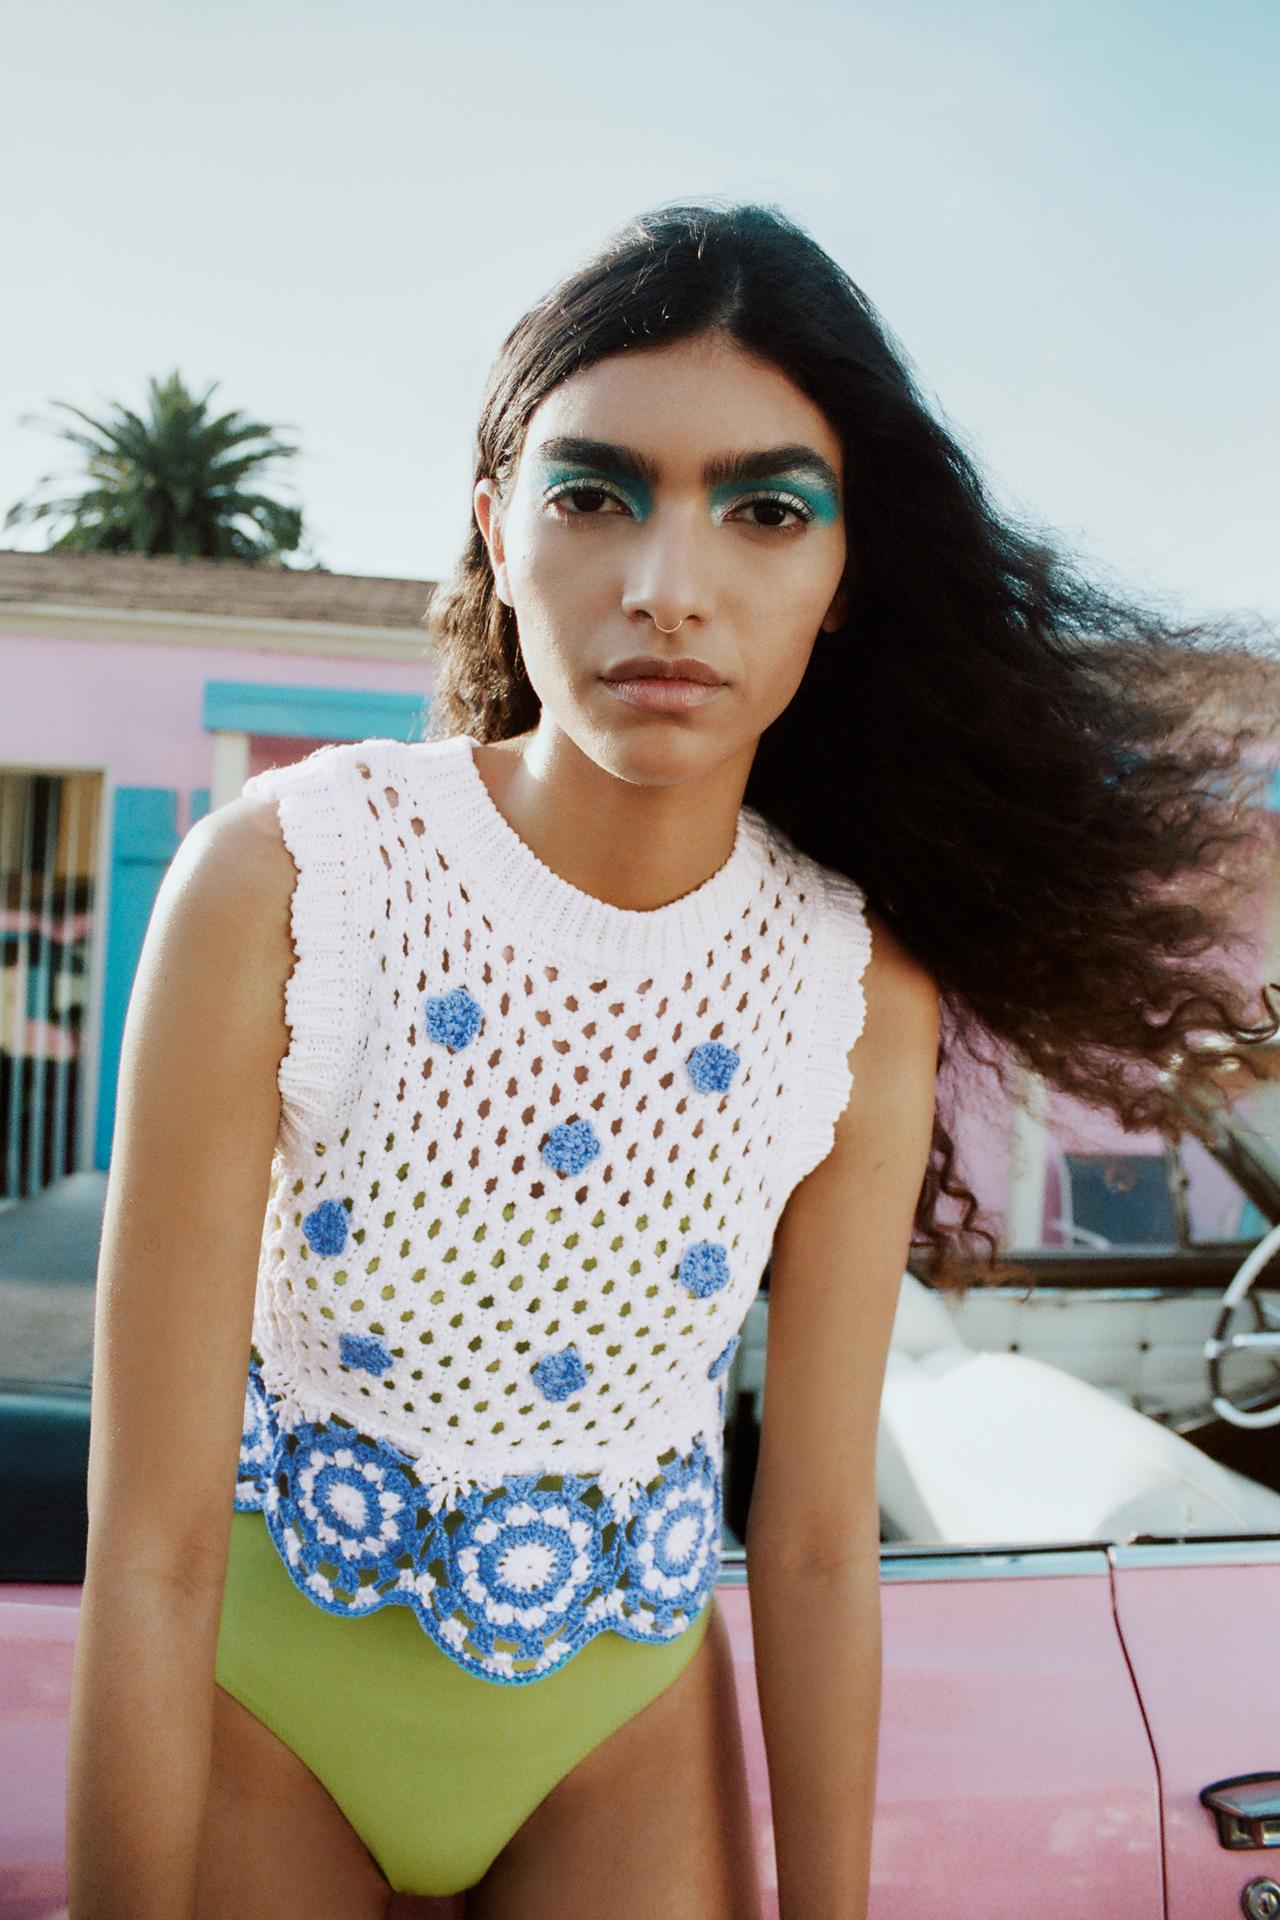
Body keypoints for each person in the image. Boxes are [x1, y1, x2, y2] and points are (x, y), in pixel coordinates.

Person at [66, 200, 1278, 1920]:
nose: (669, 586)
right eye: (594, 494)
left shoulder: (856, 992)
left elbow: (806, 1541)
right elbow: (155, 1543)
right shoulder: (288, 879)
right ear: (496, 530)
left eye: (766, 509)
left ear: (843, 571)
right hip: (267, 1703)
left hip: (616, 1740)